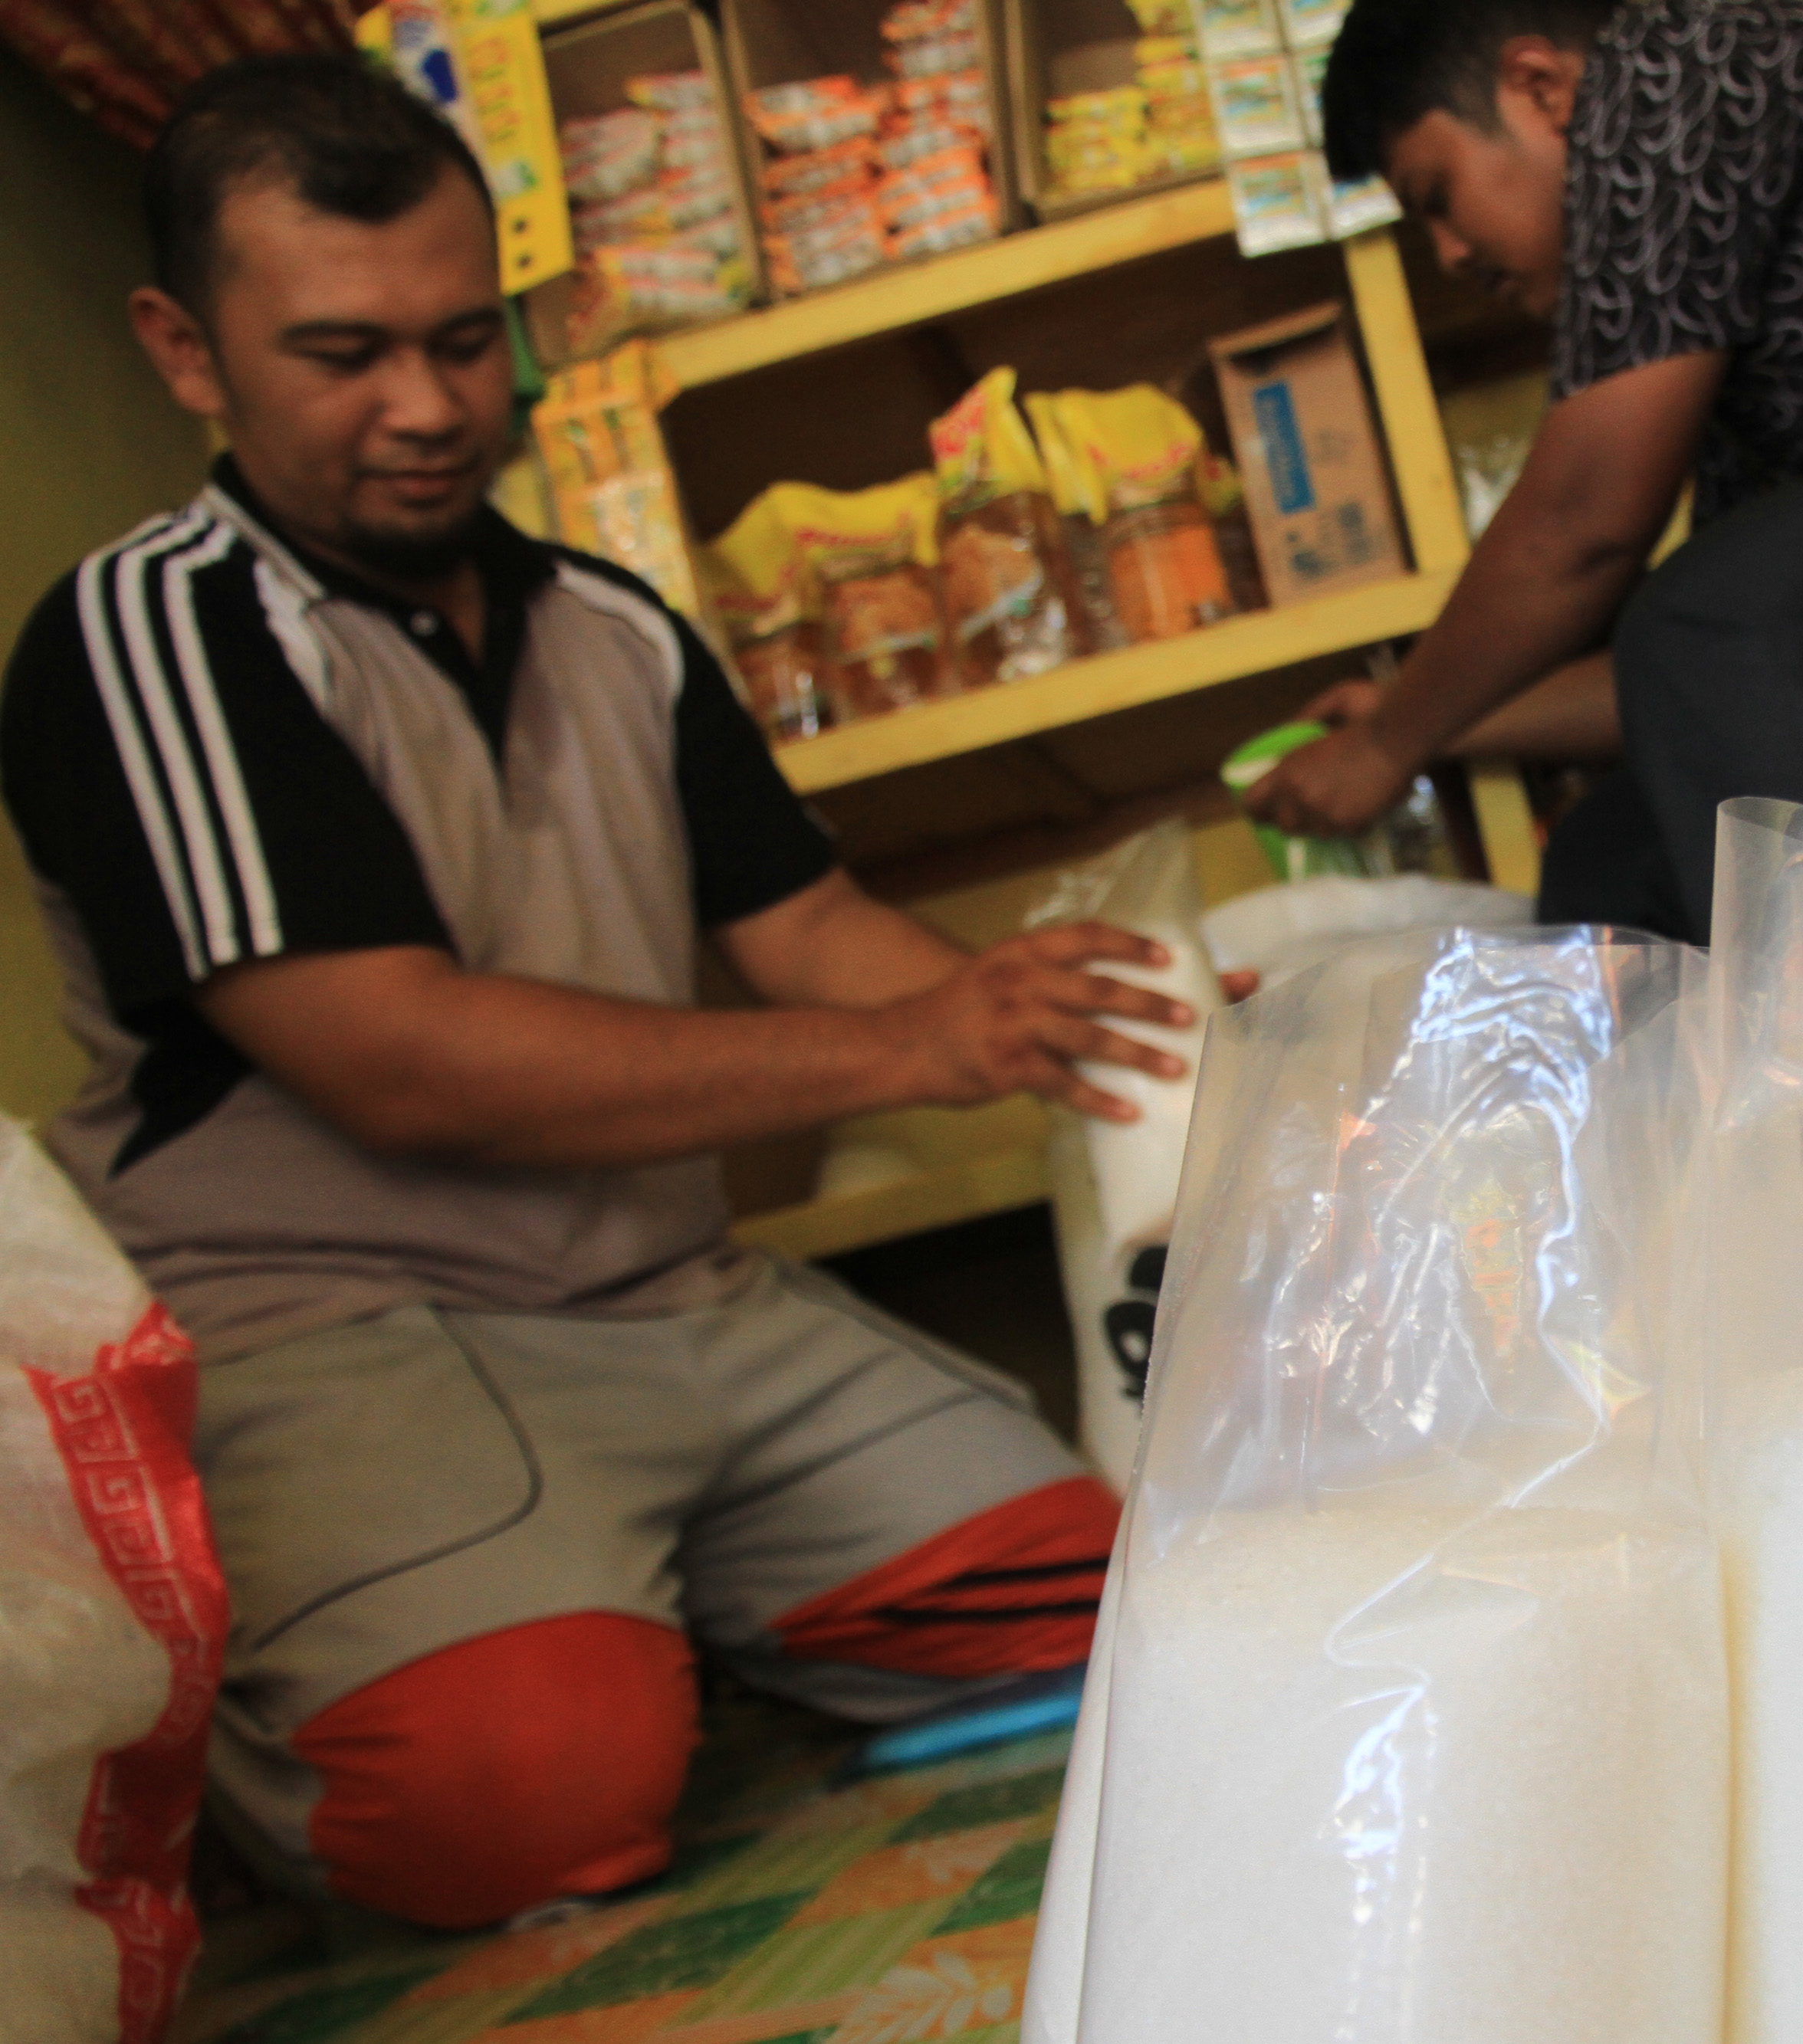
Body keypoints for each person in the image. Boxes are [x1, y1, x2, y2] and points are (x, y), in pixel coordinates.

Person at [0, 54, 1231, 1931]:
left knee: (1140, 1606)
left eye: (464, 340)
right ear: (187, 352)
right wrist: (915, 1042)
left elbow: (807, 928)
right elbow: (394, 1062)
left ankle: (636, 1604)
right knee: (511, 1802)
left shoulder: (611, 625)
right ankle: (523, 1652)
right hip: (345, 1324)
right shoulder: (150, 632)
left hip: (676, 1299)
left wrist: (1093, 1028)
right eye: (345, 354)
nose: (425, 407)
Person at [1247, 0, 1803, 940]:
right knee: (1605, 863)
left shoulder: (1683, 53)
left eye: (1436, 197)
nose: (1448, 255)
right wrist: (1438, 722)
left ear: (1539, 87)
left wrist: (1390, 742)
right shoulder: (1739, 343)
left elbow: (1591, 526)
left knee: (1699, 620)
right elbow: (1699, 684)